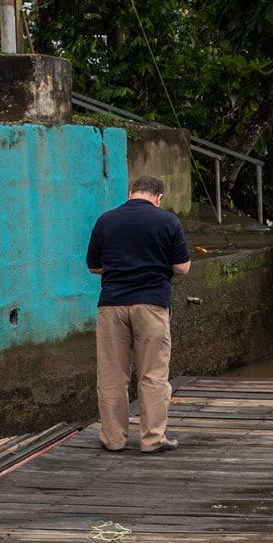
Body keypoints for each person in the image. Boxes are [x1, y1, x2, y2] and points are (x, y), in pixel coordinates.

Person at [87, 174, 192, 453]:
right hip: (151, 304)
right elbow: (182, 267)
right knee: (153, 374)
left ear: (131, 193)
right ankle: (152, 439)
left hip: (111, 305)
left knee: (111, 376)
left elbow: (93, 266)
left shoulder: (105, 220)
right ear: (159, 198)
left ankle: (113, 440)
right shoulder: (167, 221)